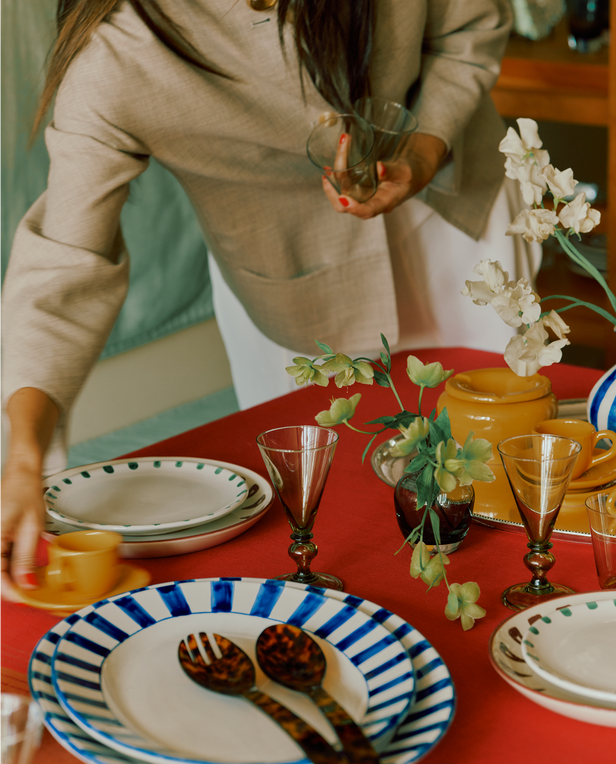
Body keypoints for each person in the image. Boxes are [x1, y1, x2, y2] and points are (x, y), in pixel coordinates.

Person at [0, 0, 536, 600]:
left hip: (449, 220)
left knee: (502, 494)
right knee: (324, 529)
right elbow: (63, 268)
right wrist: (23, 457)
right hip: (286, 287)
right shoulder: (115, 60)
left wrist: (423, 149)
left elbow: (470, 27)